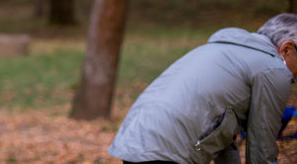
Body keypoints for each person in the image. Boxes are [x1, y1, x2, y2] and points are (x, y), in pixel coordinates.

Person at [108, 13, 297, 164]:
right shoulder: (273, 68)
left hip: (135, 141)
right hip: (167, 151)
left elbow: (223, 133)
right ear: (287, 49)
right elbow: (261, 153)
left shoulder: (228, 51)